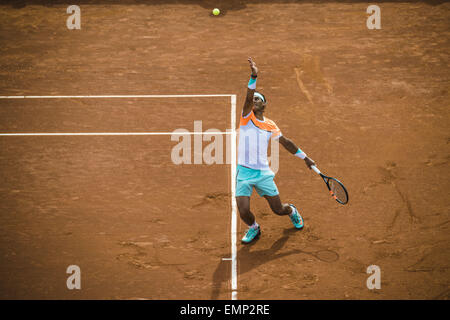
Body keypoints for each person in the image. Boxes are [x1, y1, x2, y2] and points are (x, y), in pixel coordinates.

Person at [237, 57, 316, 244]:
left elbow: (286, 142)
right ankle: (254, 228)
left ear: (264, 105)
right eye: (254, 98)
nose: (254, 100)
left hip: (263, 172)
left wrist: (306, 158)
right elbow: (248, 97)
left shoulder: (271, 125)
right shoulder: (246, 118)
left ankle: (292, 211)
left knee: (278, 209)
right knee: (243, 210)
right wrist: (254, 76)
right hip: (244, 172)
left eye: (259, 99)